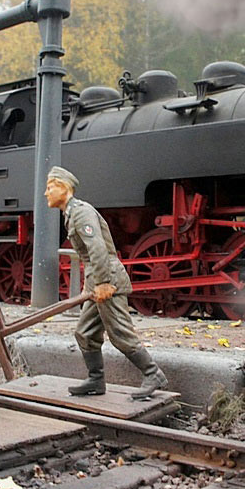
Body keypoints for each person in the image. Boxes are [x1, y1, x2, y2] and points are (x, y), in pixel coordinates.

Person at [45, 166, 168, 400]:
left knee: (120, 332)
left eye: (50, 187)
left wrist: (101, 283)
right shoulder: (71, 213)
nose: (46, 193)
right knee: (85, 332)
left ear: (63, 188)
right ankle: (96, 379)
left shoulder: (81, 213)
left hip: (107, 278)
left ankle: (153, 374)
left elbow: (98, 249)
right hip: (96, 279)